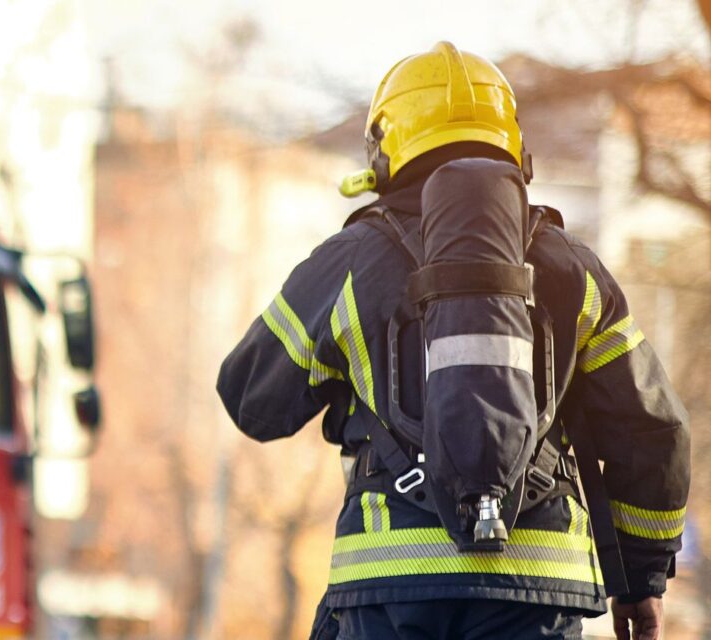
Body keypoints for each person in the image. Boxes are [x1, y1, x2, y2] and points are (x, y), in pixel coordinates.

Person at [217, 42, 689, 640]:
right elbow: (657, 431)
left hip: (387, 584)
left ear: (384, 150)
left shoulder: (348, 265)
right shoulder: (572, 268)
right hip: (538, 587)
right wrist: (642, 581)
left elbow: (250, 400)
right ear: (514, 144)